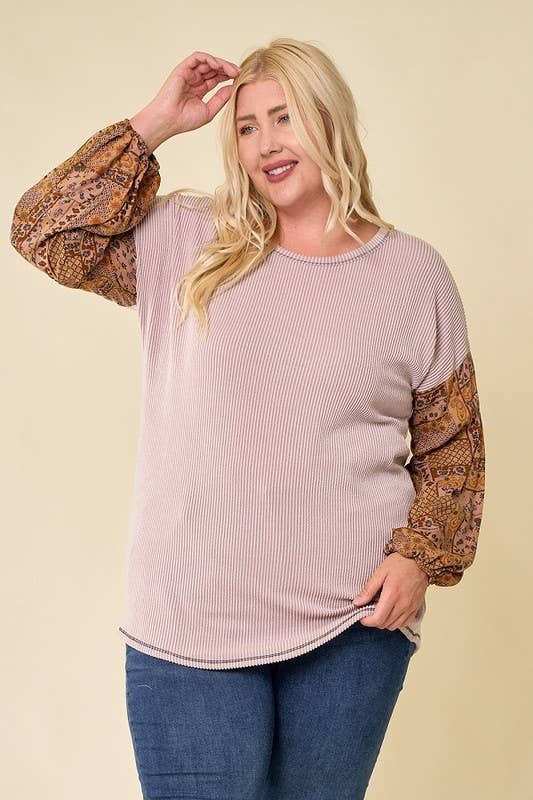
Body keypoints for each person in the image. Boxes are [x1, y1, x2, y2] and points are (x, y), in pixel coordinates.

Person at [10, 38, 485, 800]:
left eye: (285, 117)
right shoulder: (186, 241)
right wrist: (154, 124)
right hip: (187, 623)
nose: (266, 143)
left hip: (349, 624)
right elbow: (44, 233)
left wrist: (417, 558)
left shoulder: (413, 276)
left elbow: (451, 444)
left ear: (329, 120)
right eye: (246, 125)